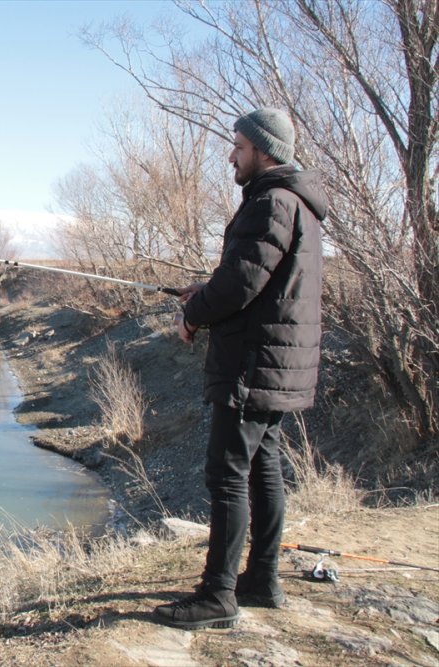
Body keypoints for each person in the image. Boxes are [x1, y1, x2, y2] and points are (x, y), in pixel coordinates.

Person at [154, 108, 328, 630]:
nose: (231, 154)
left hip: (254, 364)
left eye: (239, 147)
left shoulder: (271, 202)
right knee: (262, 467)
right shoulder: (293, 201)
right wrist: (202, 293)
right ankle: (261, 581)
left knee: (227, 474)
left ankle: (218, 595)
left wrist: (193, 312)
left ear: (264, 149)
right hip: (274, 363)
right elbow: (251, 280)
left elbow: (240, 287)